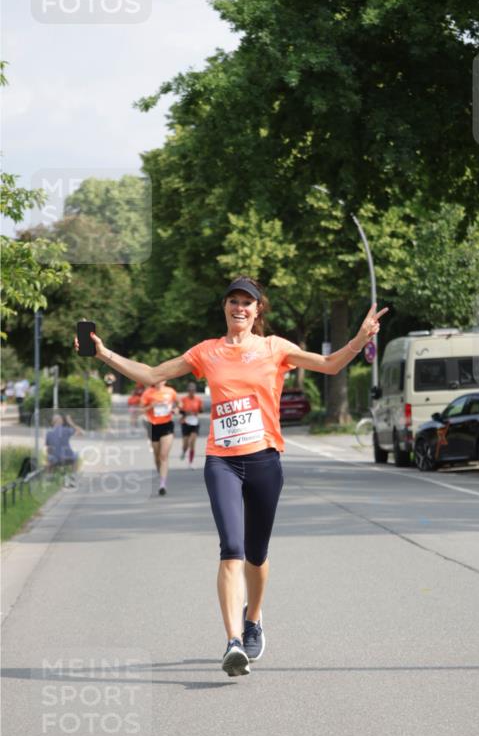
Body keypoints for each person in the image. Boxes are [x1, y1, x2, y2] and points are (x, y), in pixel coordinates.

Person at [74, 279, 387, 678]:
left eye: (247, 303)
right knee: (231, 549)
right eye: (233, 301)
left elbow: (329, 365)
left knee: (256, 554)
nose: (239, 308)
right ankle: (233, 642)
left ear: (258, 311)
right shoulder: (207, 351)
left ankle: (253, 619)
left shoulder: (276, 348)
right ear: (225, 307)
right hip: (222, 461)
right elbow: (152, 375)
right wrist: (104, 354)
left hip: (264, 461)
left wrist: (360, 338)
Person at [139, 380, 178, 496]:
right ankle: (160, 474)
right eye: (156, 380)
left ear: (165, 381)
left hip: (167, 425)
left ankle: (162, 484)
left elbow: (179, 404)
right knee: (157, 457)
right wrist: (151, 405)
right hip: (153, 426)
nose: (159, 382)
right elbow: (140, 410)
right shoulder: (148, 393)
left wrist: (176, 409)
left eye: (161, 380)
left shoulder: (170, 391)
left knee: (163, 456)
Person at [45, 413, 83, 487]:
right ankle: (73, 477)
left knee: (49, 457)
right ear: (61, 421)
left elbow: (48, 449)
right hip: (68, 458)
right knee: (76, 455)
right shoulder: (66, 430)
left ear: (53, 423)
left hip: (55, 460)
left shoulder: (48, 433)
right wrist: (71, 423)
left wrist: (50, 459)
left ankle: (49, 478)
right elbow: (81, 432)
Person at [179, 382, 203, 466]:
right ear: (188, 391)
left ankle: (191, 462)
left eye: (193, 390)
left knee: (192, 442)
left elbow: (201, 410)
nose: (192, 392)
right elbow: (180, 411)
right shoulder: (183, 399)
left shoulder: (198, 399)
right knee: (186, 444)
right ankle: (184, 451)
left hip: (195, 423)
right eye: (190, 390)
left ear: (195, 391)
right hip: (185, 422)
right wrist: (186, 413)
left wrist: (197, 411)